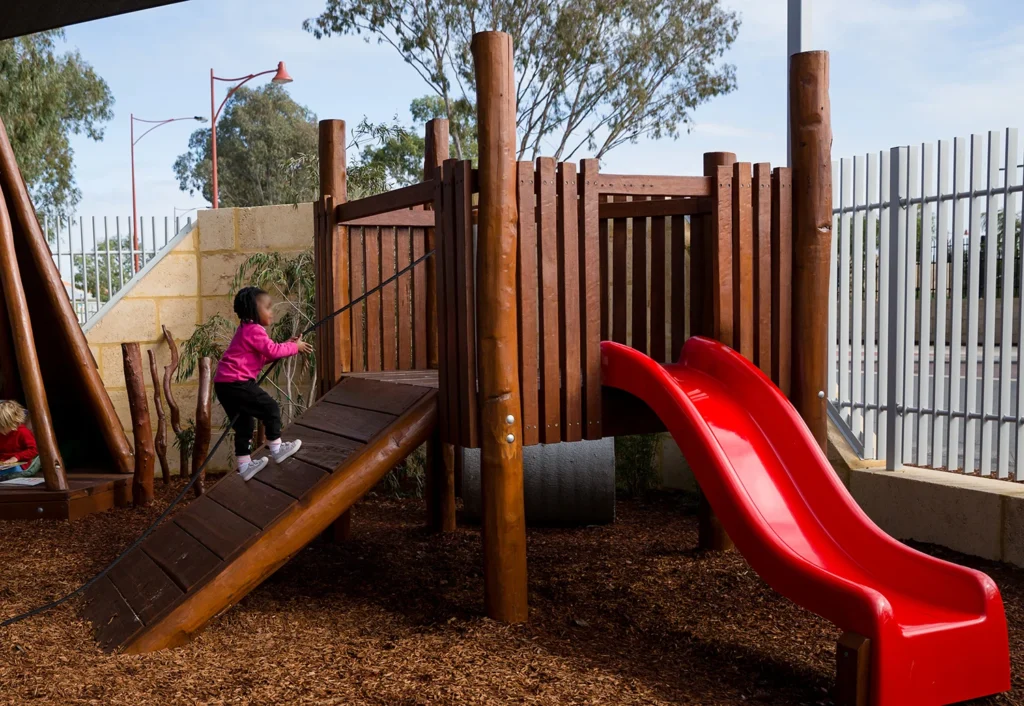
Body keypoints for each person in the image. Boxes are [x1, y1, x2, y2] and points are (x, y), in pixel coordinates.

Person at [214, 286, 313, 480]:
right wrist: (294, 347)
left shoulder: (246, 330)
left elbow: (262, 355)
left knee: (244, 424)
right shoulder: (254, 330)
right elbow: (273, 351)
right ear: (254, 311)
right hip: (237, 383)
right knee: (270, 408)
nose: (272, 311)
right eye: (267, 307)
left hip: (225, 385)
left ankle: (244, 465)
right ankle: (276, 448)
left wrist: (287, 344)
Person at [0, 400, 41, 482]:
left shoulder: (23, 432)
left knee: (13, 471)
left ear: (14, 422)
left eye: (2, 426)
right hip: (3, 463)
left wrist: (16, 457)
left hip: (18, 464)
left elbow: (34, 449)